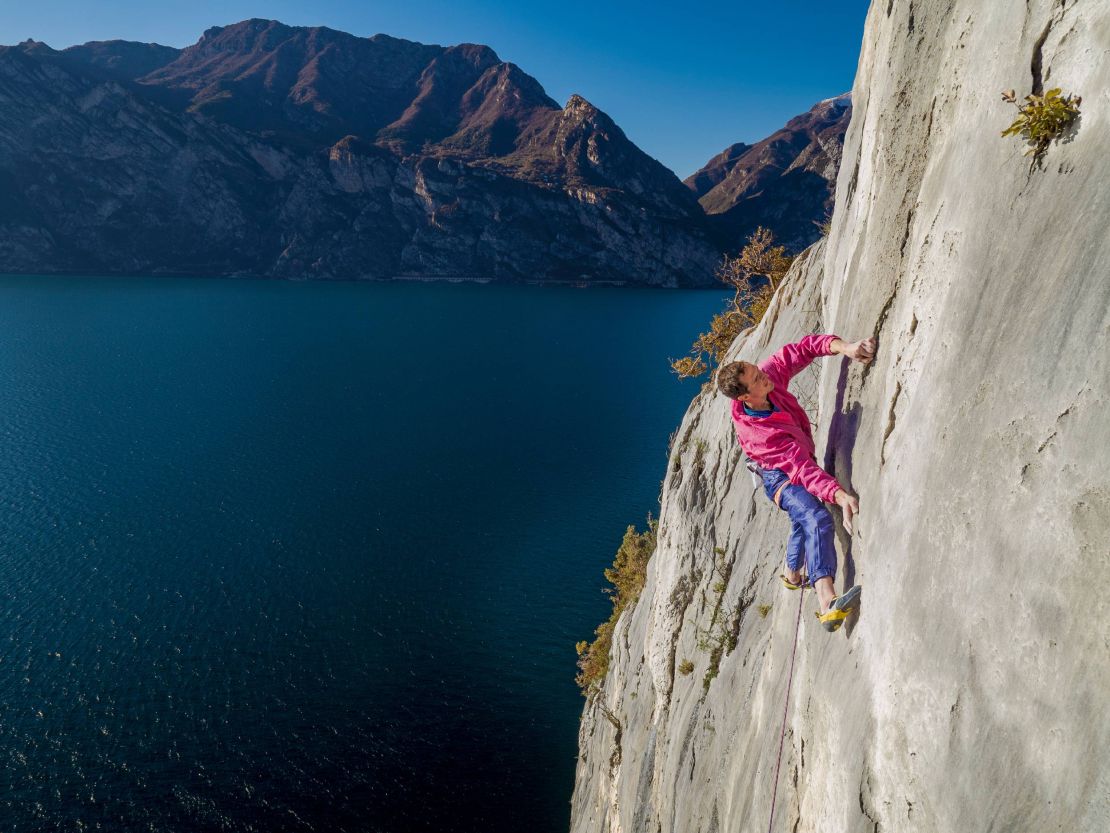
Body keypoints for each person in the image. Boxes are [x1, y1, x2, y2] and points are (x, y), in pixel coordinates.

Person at [716, 333, 876, 632]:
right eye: (756, 378)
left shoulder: (766, 383)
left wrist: (846, 348)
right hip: (779, 477)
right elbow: (800, 469)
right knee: (815, 516)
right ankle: (827, 602)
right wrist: (838, 495)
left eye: (758, 370)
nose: (764, 375)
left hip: (795, 462)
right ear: (744, 397)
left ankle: (792, 575)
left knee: (801, 520)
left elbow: (800, 350)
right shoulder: (762, 435)